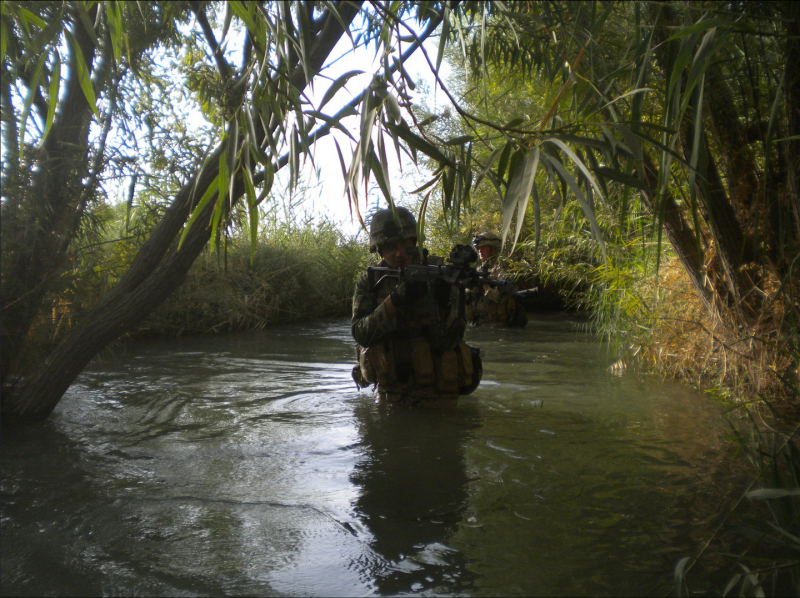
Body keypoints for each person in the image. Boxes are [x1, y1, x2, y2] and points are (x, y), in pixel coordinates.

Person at [351, 207, 481, 405]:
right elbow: (361, 334)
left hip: (440, 391)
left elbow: (450, 340)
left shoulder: (439, 273)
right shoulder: (371, 281)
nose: (399, 253)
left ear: (415, 242)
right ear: (379, 249)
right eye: (390, 247)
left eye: (405, 244)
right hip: (391, 392)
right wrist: (395, 300)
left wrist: (442, 300)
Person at [465, 231, 528, 328]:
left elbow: (501, 298)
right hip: (477, 326)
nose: (480, 250)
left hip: (498, 326)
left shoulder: (503, 270)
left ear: (493, 249)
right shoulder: (478, 271)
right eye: (478, 248)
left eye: (484, 247)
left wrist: (486, 287)